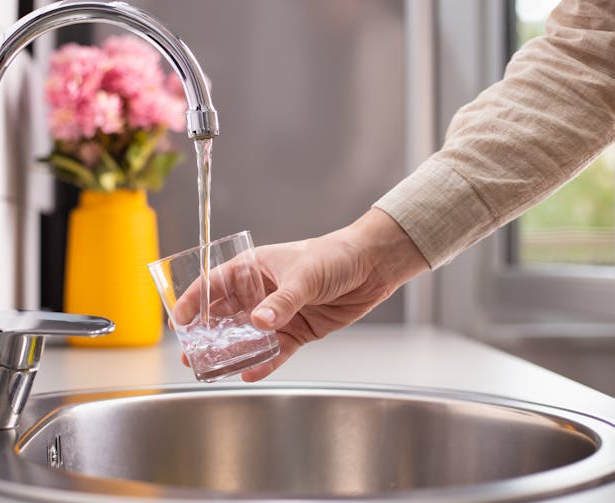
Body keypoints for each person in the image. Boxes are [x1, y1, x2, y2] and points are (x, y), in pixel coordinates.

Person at [216, 0, 614, 382]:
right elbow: (590, 57)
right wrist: (365, 253)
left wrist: (326, 225)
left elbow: (367, 155)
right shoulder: (364, 42)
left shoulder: (381, 40)